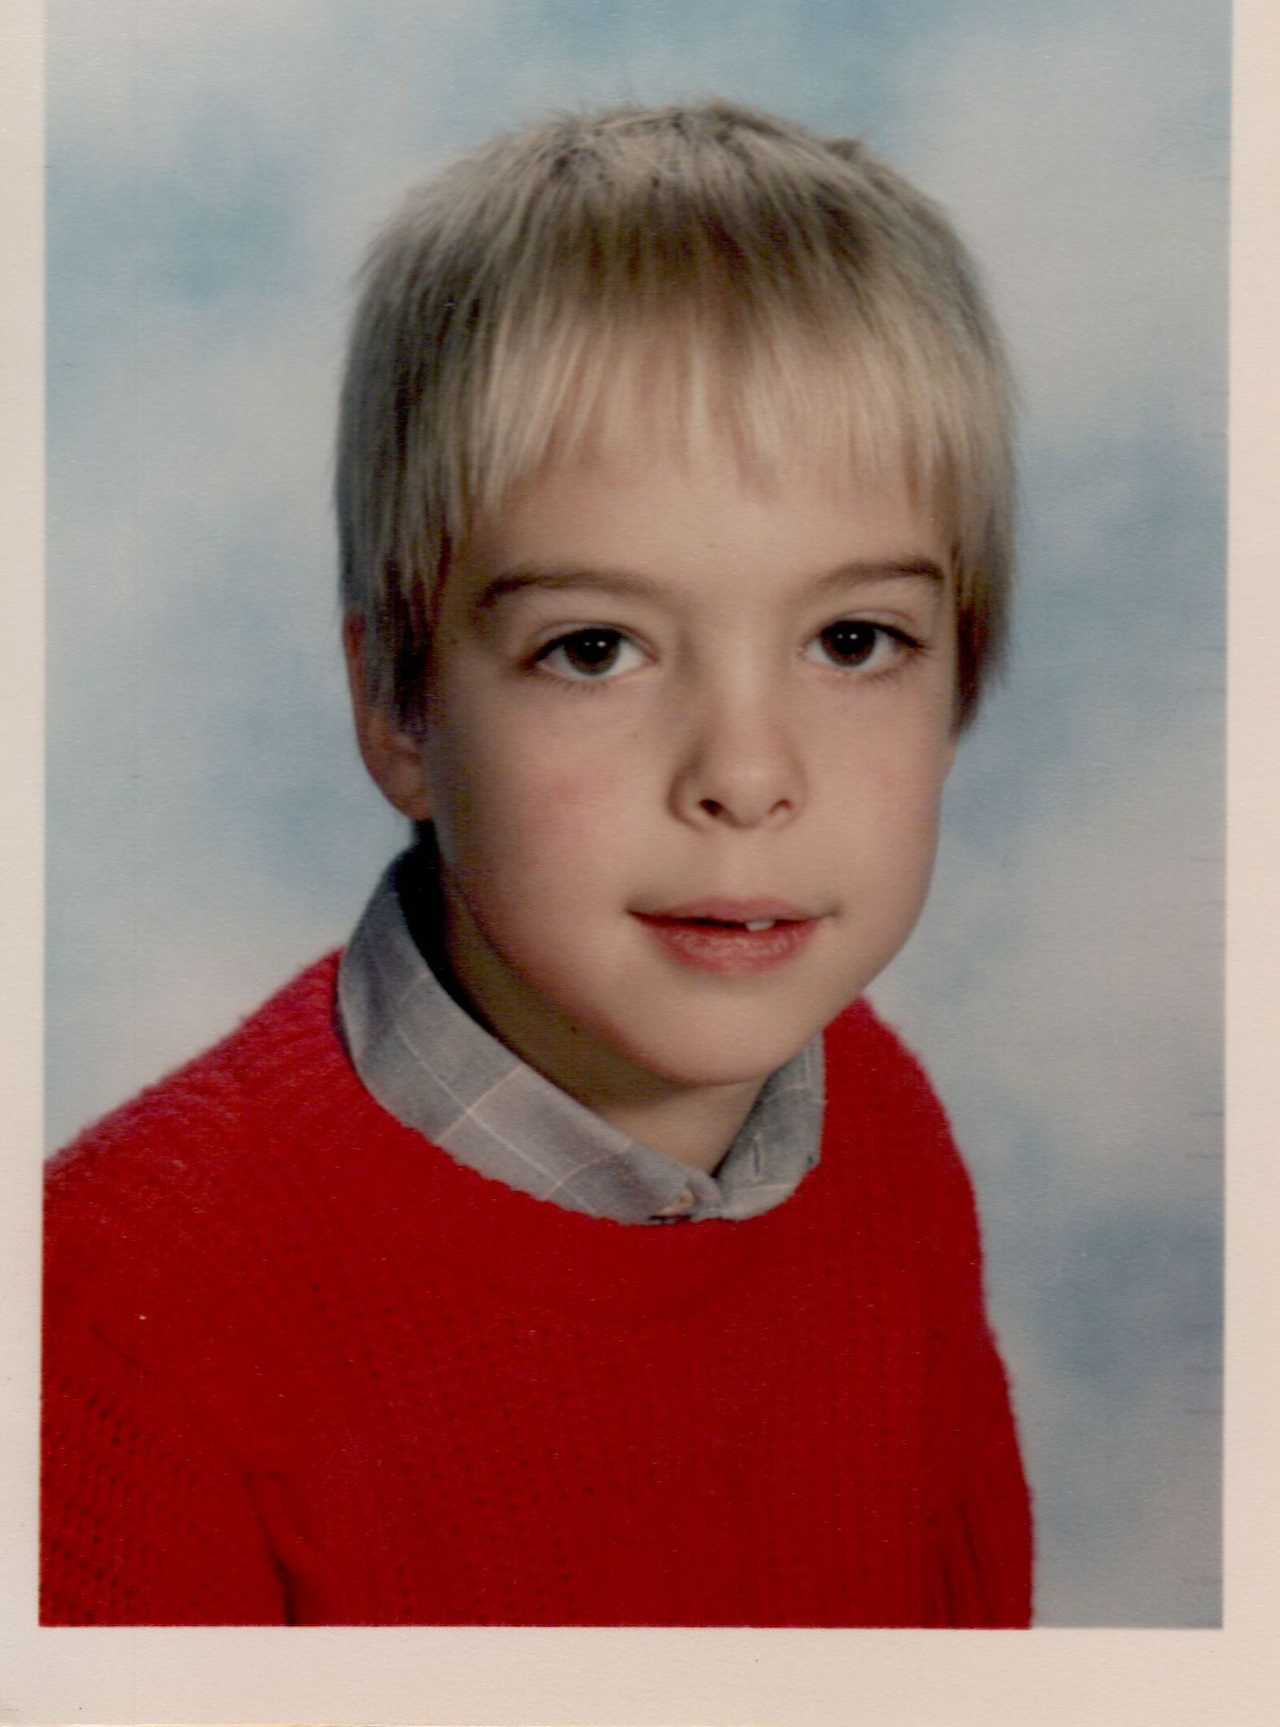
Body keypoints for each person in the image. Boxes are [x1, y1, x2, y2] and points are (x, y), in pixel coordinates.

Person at [42, 101, 1033, 1626]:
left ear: (961, 680)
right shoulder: (110, 1325)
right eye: (597, 647)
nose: (748, 777)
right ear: (401, 711)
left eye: (853, 640)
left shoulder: (883, 1128)